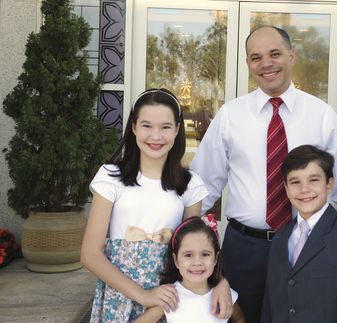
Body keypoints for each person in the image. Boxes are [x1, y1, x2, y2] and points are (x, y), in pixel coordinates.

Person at [190, 25, 337, 322]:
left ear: (291, 56)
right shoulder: (231, 116)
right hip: (243, 248)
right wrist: (185, 244)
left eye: (275, 54)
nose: (266, 64)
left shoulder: (321, 116)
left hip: (307, 246)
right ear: (249, 64)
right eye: (256, 57)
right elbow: (202, 187)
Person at [81, 89, 231, 322]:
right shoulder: (111, 177)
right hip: (119, 295)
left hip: (168, 298)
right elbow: (90, 254)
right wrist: (143, 295)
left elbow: (196, 246)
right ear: (133, 127)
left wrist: (220, 280)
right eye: (147, 125)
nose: (156, 136)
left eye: (165, 127)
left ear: (177, 130)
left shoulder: (190, 185)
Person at [261, 145, 337, 323]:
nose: (304, 189)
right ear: (286, 188)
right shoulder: (280, 239)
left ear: (329, 184)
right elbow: (270, 304)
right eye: (295, 182)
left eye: (313, 180)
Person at [135, 215, 245, 323]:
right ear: (176, 260)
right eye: (188, 255)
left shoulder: (225, 295)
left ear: (215, 258)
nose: (197, 262)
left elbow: (239, 319)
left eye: (205, 254)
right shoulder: (170, 297)